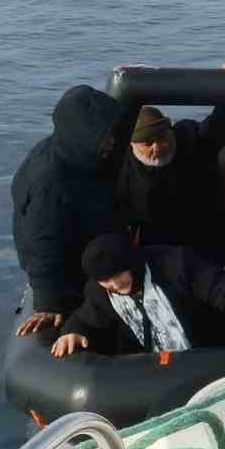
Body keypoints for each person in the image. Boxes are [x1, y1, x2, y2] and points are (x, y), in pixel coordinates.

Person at [12, 85, 134, 336]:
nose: (112, 141)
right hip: (73, 273)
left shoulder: (76, 157)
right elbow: (42, 242)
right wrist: (49, 302)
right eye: (106, 136)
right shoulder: (51, 181)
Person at [51, 234, 225, 357]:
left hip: (210, 353)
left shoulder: (178, 265)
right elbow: (86, 317)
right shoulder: (100, 293)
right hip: (156, 371)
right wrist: (72, 331)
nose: (115, 285)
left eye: (119, 275)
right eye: (106, 281)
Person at [118, 103, 225, 267]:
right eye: (148, 143)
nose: (157, 146)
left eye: (162, 138)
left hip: (203, 242)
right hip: (155, 250)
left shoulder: (191, 139)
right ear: (132, 145)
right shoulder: (120, 166)